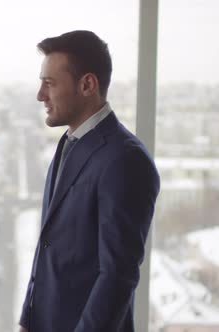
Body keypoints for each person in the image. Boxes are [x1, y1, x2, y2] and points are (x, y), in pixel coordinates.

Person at [19, 30, 160, 332]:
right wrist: (27, 320)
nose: (40, 95)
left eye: (49, 83)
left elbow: (117, 275)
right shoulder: (68, 143)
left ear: (87, 84)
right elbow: (48, 246)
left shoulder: (125, 159)